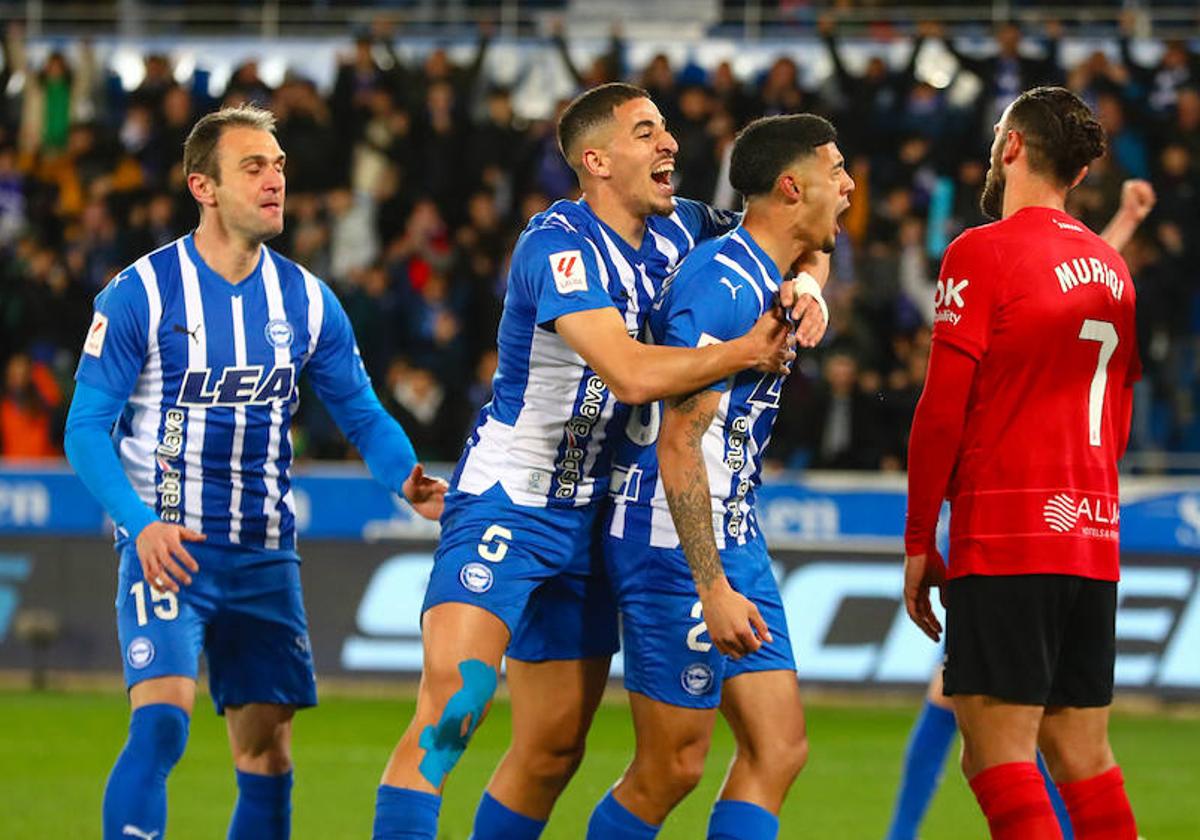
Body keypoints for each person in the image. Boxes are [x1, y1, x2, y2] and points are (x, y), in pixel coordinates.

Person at [370, 83, 826, 840]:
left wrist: (808, 281)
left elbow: (791, 229)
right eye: (646, 132)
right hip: (511, 504)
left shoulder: (685, 229)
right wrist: (751, 349)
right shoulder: (557, 246)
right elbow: (632, 373)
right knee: (455, 702)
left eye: (667, 128)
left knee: (551, 750)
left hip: (593, 520)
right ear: (596, 160)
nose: (669, 143)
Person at [63, 104, 446, 840]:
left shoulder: (306, 299)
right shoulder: (140, 292)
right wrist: (139, 525)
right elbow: (84, 429)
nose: (275, 180)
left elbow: (361, 413)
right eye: (254, 167)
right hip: (168, 548)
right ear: (202, 187)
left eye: (278, 165)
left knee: (269, 758)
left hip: (266, 556)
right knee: (162, 727)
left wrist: (406, 478)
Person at [587, 113, 852, 840]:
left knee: (778, 748)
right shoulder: (721, 287)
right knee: (670, 769)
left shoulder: (775, 270)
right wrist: (713, 589)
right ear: (792, 187)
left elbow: (814, 252)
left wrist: (815, 287)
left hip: (734, 528)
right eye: (837, 173)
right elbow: (678, 444)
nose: (851, 188)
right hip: (672, 541)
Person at [885, 176, 1155, 840]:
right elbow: (1109, 411)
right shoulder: (1112, 272)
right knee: (1077, 754)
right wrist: (1119, 227)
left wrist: (920, 536)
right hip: (1090, 531)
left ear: (1013, 149)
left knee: (996, 748)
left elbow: (942, 407)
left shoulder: (984, 252)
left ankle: (899, 834)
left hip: (1010, 526)